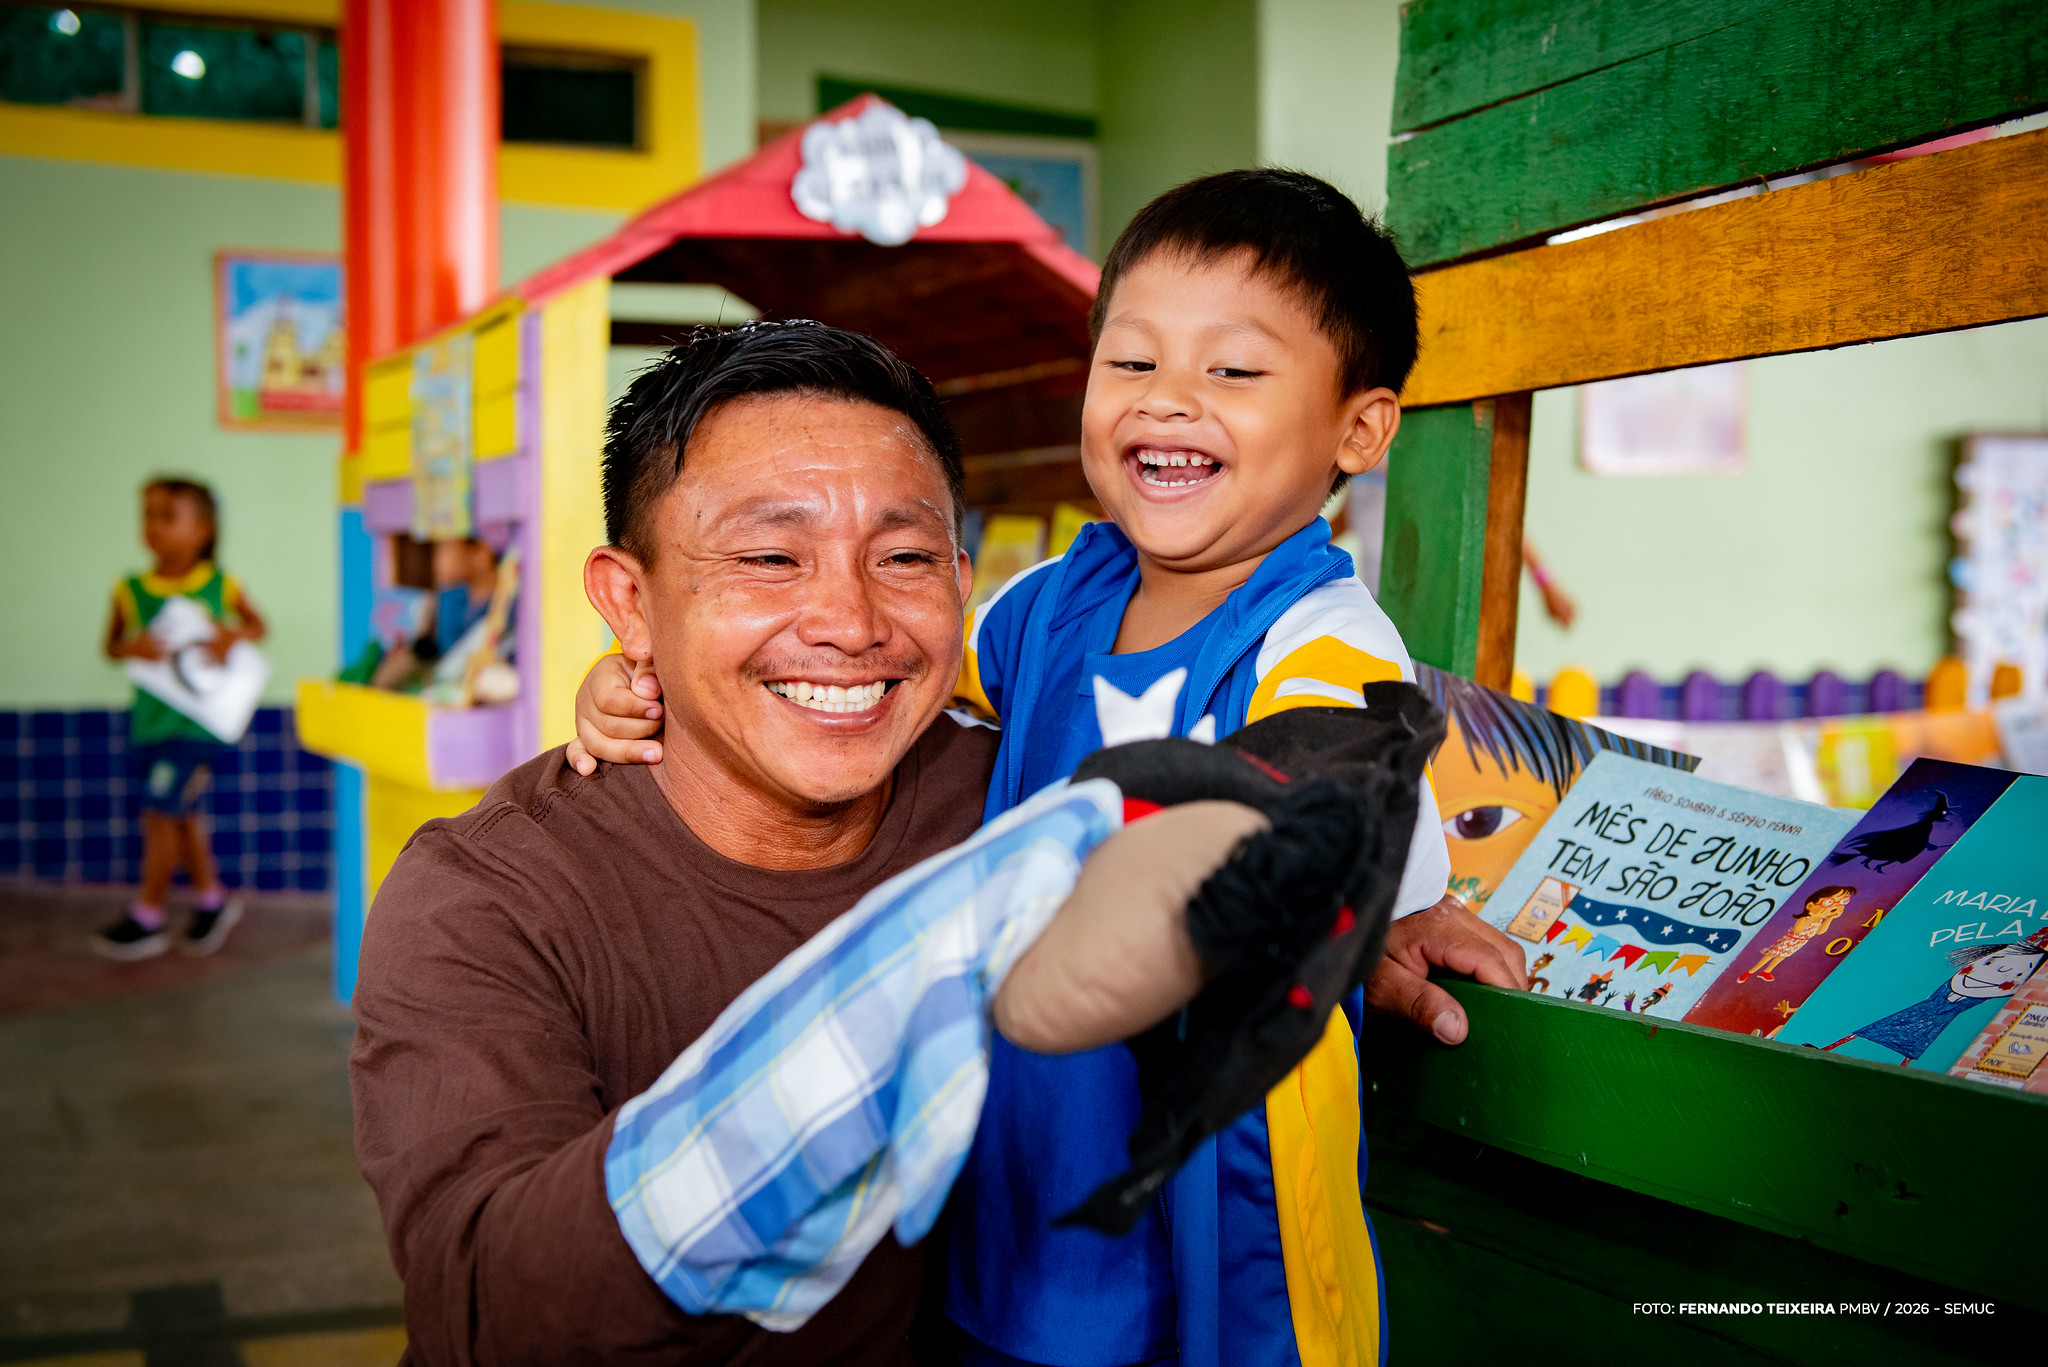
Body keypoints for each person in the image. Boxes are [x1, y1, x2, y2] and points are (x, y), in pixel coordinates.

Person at [574, 171, 1530, 1367]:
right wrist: (643, 671)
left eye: (1230, 373)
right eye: (1130, 364)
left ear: (1358, 428)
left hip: (1205, 1200)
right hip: (1020, 1182)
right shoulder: (1048, 606)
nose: (1167, 403)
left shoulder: (1322, 644)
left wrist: (1396, 898)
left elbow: (1327, 821)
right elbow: (887, 666)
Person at [96, 478, 263, 960]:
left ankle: (148, 914)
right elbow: (110, 646)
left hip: (198, 731)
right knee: (181, 815)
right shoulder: (128, 590)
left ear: (203, 529)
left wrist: (232, 635)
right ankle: (212, 900)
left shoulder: (220, 585)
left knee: (159, 815)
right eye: (147, 514)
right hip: (150, 727)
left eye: (168, 515)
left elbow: (257, 626)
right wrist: (131, 646)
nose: (153, 526)